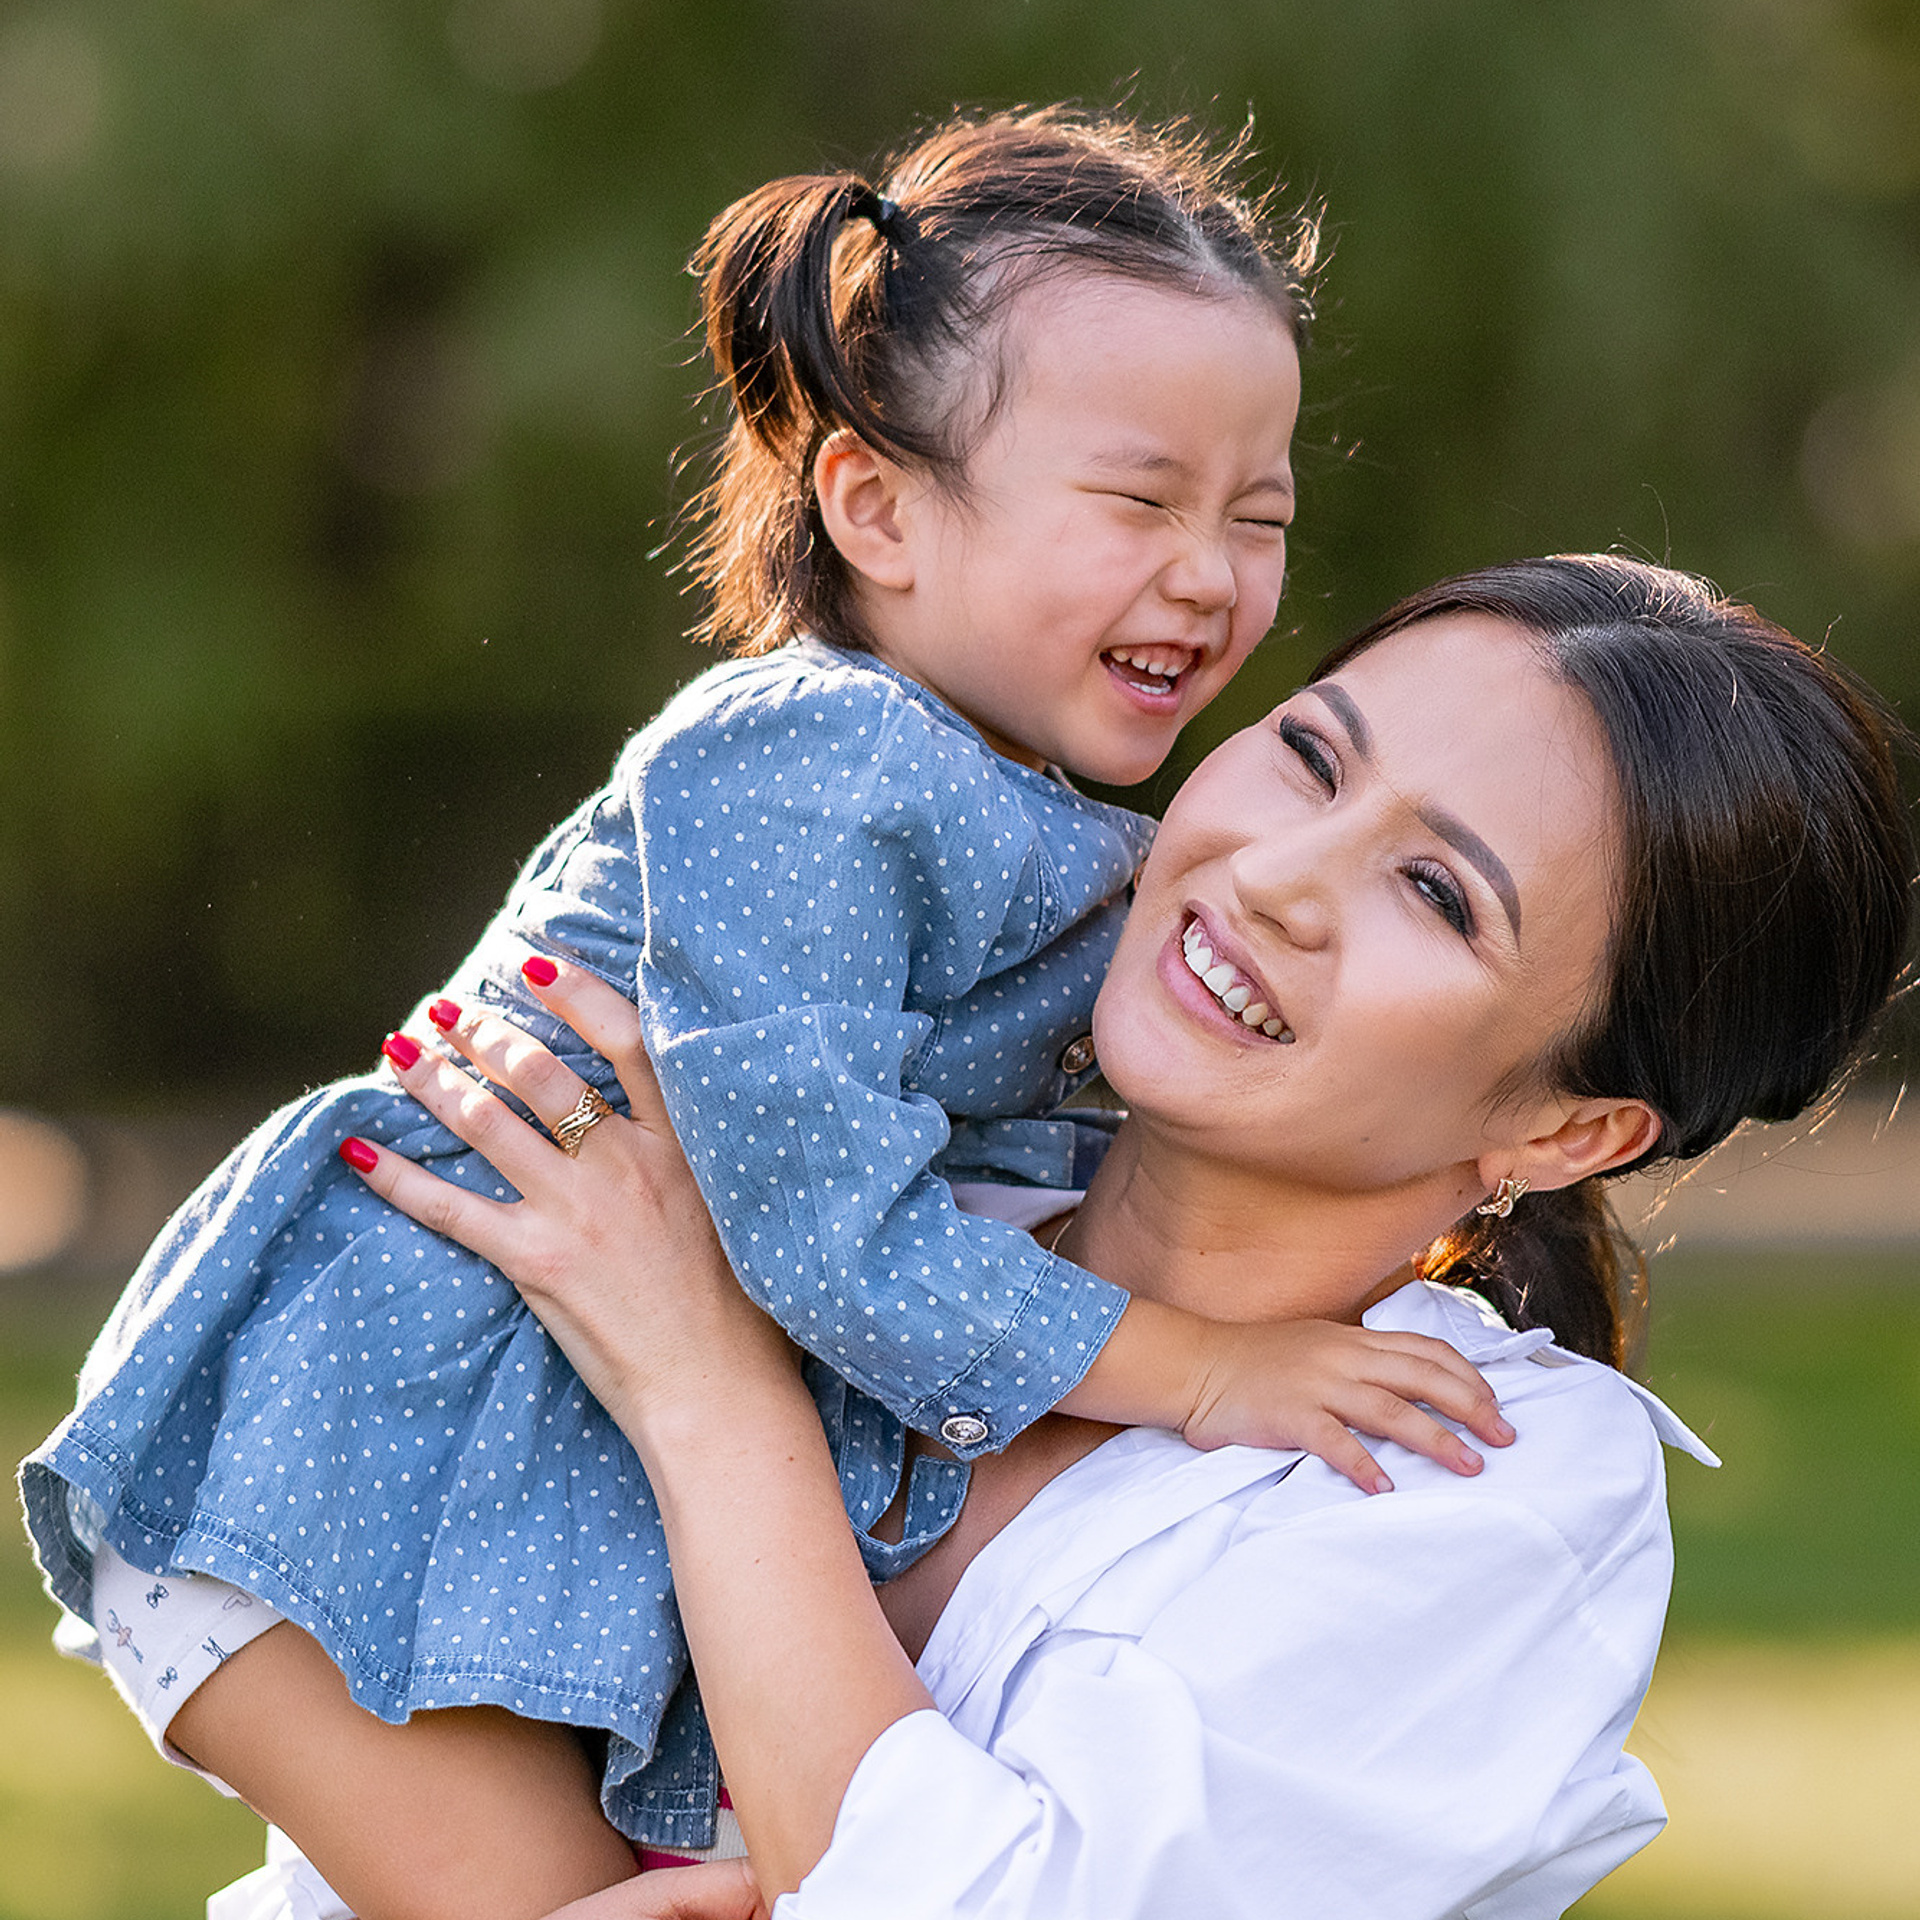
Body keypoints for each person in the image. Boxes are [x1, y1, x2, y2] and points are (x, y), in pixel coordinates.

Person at [21, 109, 1510, 1920]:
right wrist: (1205, 1373)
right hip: (352, 1436)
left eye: (1255, 517)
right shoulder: (808, 761)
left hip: (507, 1449)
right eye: (1140, 502)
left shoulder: (1037, 816)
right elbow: (826, 1234)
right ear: (874, 504)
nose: (1210, 572)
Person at [345, 555, 1913, 1919]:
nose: (1278, 876)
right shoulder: (876, 1204)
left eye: (1436, 892)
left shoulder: (1481, 1483)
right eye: (1309, 756)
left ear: (1569, 1133)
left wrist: (707, 1387)